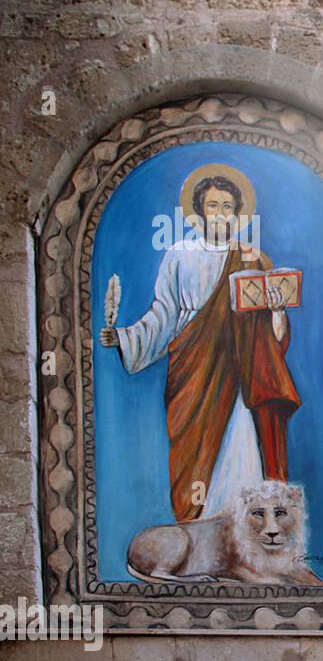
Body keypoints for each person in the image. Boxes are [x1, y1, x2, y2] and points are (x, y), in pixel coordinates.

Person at [99, 163, 300, 522]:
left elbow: (271, 335)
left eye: (227, 206)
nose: (220, 214)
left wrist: (277, 310)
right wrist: (125, 337)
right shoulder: (179, 253)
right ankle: (197, 534)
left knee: (240, 446)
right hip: (193, 365)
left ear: (237, 212)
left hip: (239, 367)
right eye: (212, 206)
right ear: (199, 211)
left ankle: (242, 536)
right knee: (192, 451)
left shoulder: (253, 257)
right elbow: (164, 313)